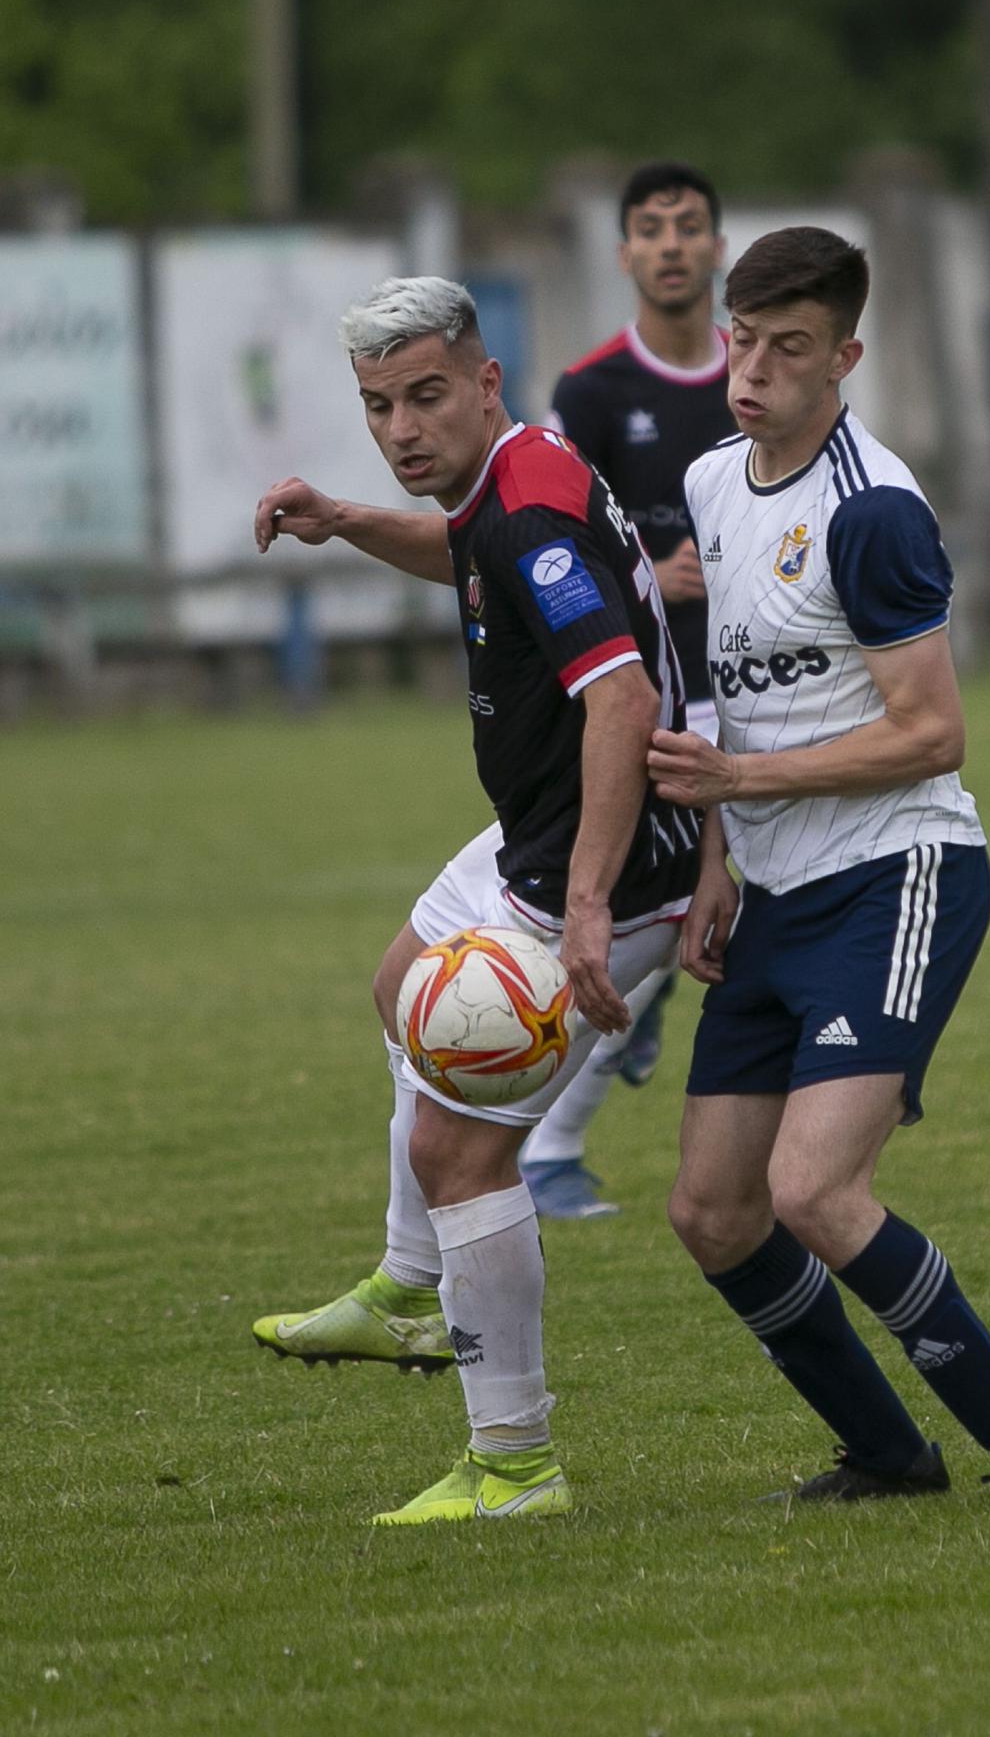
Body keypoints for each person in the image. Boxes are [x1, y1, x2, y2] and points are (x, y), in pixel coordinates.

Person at [647, 227, 990, 1514]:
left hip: (897, 874)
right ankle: (887, 1453)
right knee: (712, 1208)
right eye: (739, 341)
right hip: (775, 888)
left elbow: (931, 730)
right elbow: (742, 698)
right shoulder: (710, 482)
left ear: (844, 354)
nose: (752, 371)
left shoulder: (873, 510)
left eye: (787, 349)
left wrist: (735, 789)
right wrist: (717, 866)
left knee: (811, 1187)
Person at [250, 276, 698, 1525]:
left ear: (484, 380)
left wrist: (600, 905)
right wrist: (346, 519)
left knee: (462, 1145)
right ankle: (406, 1291)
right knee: (400, 980)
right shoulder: (512, 474)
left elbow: (621, 701)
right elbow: (461, 549)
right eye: (379, 404)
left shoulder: (531, 520)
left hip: (598, 864)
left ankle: (514, 1462)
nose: (402, 427)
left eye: (427, 395)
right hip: (534, 838)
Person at [520, 160, 735, 1219]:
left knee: (727, 916)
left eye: (687, 226)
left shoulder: (760, 372)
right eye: (649, 228)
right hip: (649, 697)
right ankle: (549, 1147)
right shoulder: (592, 390)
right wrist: (658, 570)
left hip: (759, 692)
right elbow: (561, 543)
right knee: (669, 927)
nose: (669, 245)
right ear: (622, 255)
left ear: (716, 247)